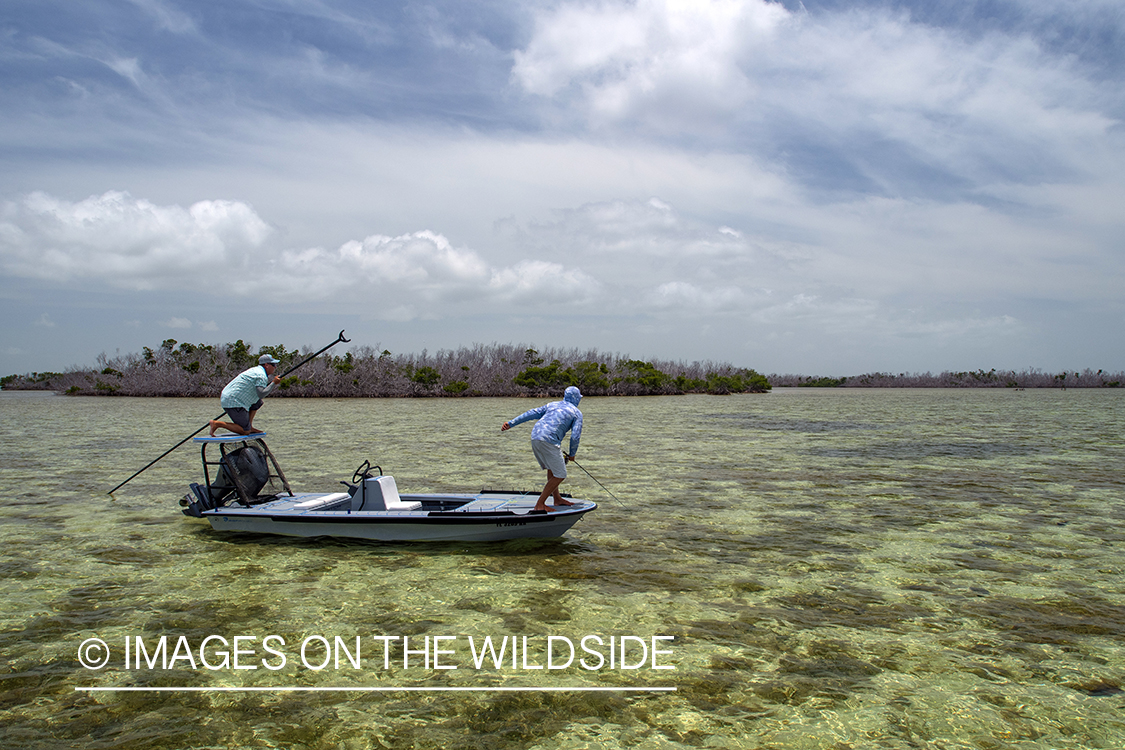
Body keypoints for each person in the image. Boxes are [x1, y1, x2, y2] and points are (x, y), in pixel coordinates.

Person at [501, 386, 583, 513]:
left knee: (552, 468)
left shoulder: (552, 405)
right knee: (561, 474)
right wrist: (572, 454)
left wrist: (511, 423)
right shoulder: (576, 413)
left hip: (535, 436)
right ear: (576, 398)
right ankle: (540, 504)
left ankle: (557, 499)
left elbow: (531, 413)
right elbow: (575, 436)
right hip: (548, 440)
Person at [209, 355, 282, 436]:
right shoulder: (261, 375)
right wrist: (273, 383)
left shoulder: (255, 370)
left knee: (258, 402)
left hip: (233, 397)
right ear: (267, 365)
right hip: (233, 401)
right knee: (245, 431)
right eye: (274, 365)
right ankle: (218, 424)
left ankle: (249, 426)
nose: (275, 367)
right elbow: (261, 394)